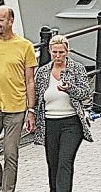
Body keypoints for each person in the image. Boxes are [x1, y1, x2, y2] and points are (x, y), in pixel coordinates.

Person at [0, 6, 39, 192]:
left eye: (0, 20)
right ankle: (0, 183)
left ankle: (7, 190)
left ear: (10, 22)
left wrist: (31, 110)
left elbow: (30, 81)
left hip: (16, 106)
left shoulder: (25, 46)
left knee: (11, 153)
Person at [33, 35, 93, 192]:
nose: (58, 56)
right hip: (49, 123)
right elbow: (37, 98)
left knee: (65, 162)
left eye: (61, 52)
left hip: (71, 123)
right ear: (49, 52)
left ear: (67, 52)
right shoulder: (43, 72)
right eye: (54, 52)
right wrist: (30, 114)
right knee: (53, 164)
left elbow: (85, 93)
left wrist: (70, 88)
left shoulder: (76, 68)